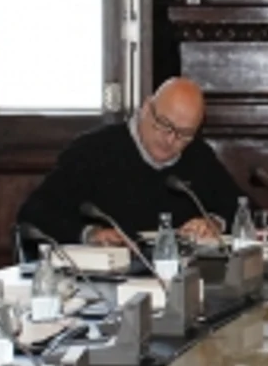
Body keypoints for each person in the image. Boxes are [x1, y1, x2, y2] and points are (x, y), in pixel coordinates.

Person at [17, 77, 248, 245]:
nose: (170, 139)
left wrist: (214, 223)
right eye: (165, 125)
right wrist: (90, 234)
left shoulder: (197, 156)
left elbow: (245, 209)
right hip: (105, 287)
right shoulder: (92, 151)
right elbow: (35, 214)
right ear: (146, 108)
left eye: (184, 134)